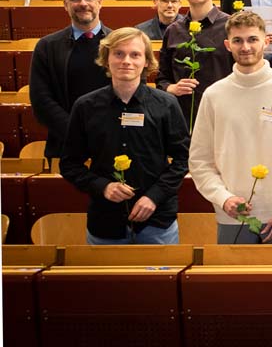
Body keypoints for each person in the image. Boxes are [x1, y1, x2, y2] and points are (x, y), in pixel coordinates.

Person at [190, 10, 272, 244]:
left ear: (266, 42)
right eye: (238, 40)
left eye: (252, 39)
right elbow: (199, 161)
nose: (245, 47)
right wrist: (223, 198)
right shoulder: (214, 95)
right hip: (232, 218)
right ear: (228, 45)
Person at [60, 27, 189, 244]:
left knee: (158, 279)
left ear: (147, 61)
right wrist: (103, 186)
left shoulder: (166, 104)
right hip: (105, 220)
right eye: (118, 53)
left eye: (135, 54)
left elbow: (183, 159)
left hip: (156, 221)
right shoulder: (85, 106)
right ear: (106, 59)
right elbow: (69, 164)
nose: (126, 61)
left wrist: (153, 196)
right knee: (110, 279)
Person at [29, 0, 114, 161]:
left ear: (100, 2)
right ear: (65, 4)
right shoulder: (47, 46)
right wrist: (76, 131)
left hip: (113, 143)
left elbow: (134, 92)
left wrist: (105, 131)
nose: (83, 3)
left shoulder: (120, 43)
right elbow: (41, 100)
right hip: (65, 144)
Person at [158, 0, 234, 128]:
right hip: (184, 120)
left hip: (224, 118)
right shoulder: (173, 30)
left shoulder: (232, 27)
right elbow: (162, 78)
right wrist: (171, 88)